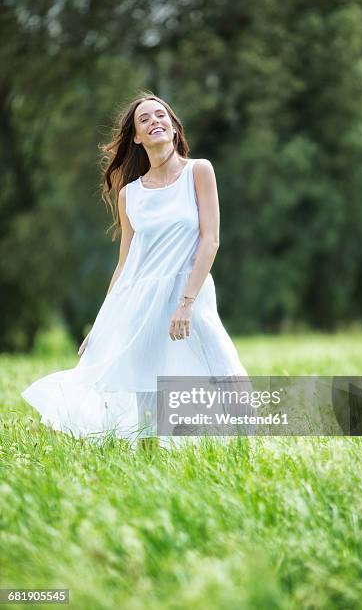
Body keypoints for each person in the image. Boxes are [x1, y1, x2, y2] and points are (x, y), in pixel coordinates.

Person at [21, 91, 251, 449]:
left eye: (162, 116)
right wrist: (101, 324)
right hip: (141, 296)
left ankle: (241, 446)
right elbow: (125, 264)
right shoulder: (130, 194)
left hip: (190, 291)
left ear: (174, 129)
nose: (155, 121)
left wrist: (186, 302)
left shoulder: (199, 171)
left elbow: (211, 240)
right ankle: (148, 457)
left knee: (219, 365)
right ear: (136, 137)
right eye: (145, 119)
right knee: (145, 379)